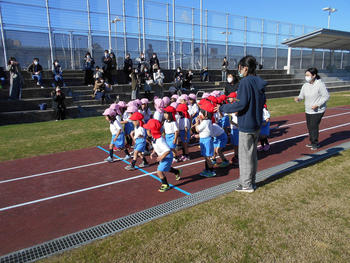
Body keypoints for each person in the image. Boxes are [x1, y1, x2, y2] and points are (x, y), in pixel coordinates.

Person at [218, 55, 266, 193]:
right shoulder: (259, 82)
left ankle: (246, 184)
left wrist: (223, 108)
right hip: (256, 122)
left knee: (245, 156)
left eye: (240, 68)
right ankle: (251, 181)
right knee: (252, 155)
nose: (239, 71)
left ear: (245, 68)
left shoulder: (245, 82)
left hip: (247, 124)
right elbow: (260, 102)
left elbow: (241, 103)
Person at [294, 67, 329, 150]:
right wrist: (298, 98)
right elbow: (301, 95)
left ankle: (315, 143)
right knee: (309, 126)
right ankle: (312, 141)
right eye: (305, 75)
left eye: (308, 75)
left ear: (314, 75)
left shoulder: (320, 84)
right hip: (308, 109)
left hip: (318, 110)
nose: (306, 77)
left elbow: (326, 96)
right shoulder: (305, 85)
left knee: (313, 126)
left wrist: (318, 104)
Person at [144, 119, 182, 192]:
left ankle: (165, 185)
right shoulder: (154, 138)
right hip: (163, 156)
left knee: (159, 171)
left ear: (152, 131)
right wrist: (153, 152)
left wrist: (161, 157)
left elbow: (167, 150)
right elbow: (156, 146)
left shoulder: (160, 140)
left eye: (148, 130)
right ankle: (177, 172)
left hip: (167, 157)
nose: (146, 131)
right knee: (166, 168)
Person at [194, 99, 215, 177]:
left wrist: (196, 123)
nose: (200, 115)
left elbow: (197, 129)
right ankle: (207, 169)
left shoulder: (206, 122)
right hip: (205, 139)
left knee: (207, 156)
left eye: (201, 113)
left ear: (205, 114)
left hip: (206, 140)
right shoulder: (208, 121)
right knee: (206, 156)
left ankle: (211, 170)